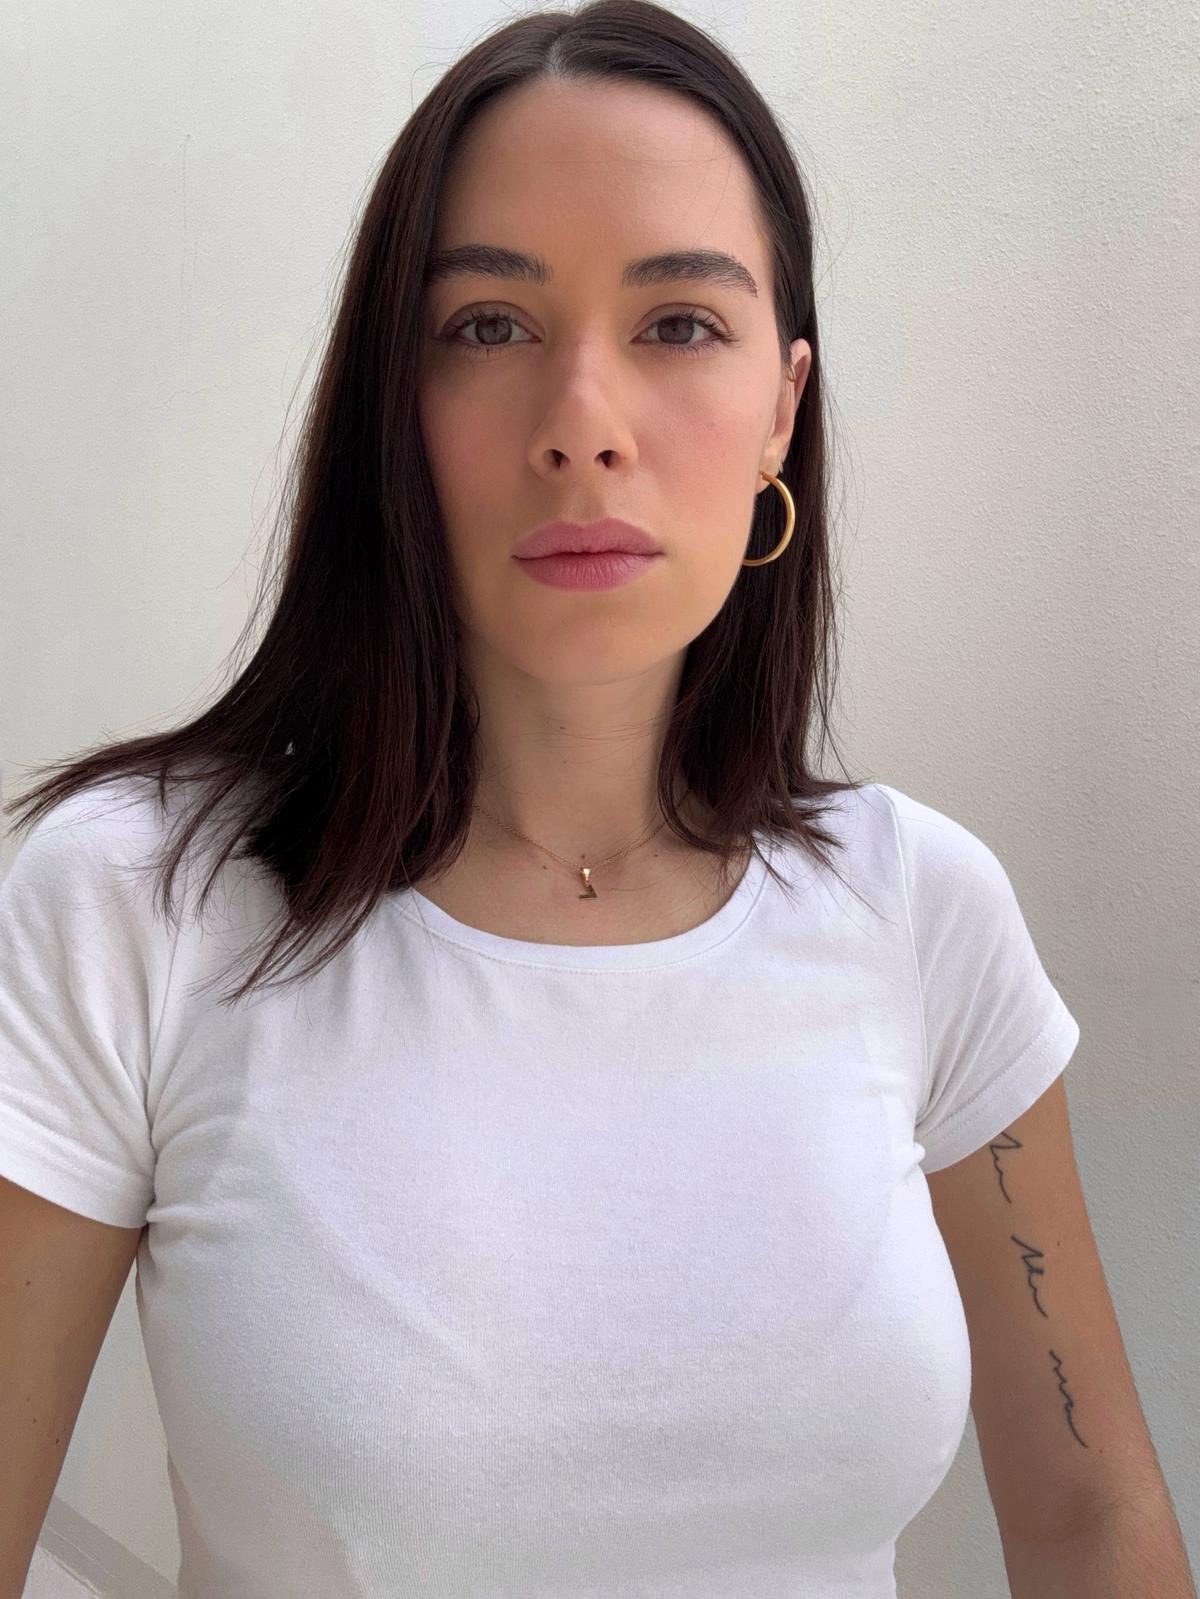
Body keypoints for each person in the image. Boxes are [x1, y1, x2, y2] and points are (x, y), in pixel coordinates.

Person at [4, 4, 1191, 1598]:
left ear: (783, 410)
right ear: (390, 404)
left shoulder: (923, 909)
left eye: (679, 324)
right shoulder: (140, 905)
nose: (582, 426)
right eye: (489, 325)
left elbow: (1091, 1519)